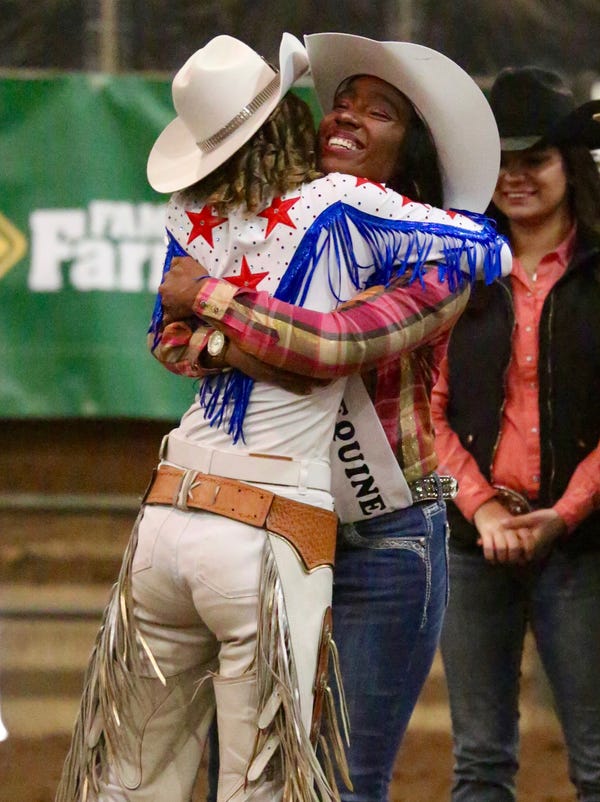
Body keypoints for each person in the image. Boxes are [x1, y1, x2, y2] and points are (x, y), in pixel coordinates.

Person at [55, 33, 508, 802]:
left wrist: (211, 307)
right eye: (342, 102)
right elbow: (168, 338)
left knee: (335, 776)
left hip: (380, 535)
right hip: (270, 520)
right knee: (246, 769)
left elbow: (328, 346)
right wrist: (228, 331)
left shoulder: (432, 261)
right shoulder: (270, 220)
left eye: (380, 111)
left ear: (415, 149)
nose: (348, 117)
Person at [431, 66, 600, 801]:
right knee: (479, 761)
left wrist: (564, 513)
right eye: (503, 162)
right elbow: (424, 415)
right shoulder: (454, 271)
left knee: (597, 760)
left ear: (570, 165)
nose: (517, 177)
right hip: (472, 544)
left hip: (584, 545)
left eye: (536, 159)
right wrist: (483, 509)